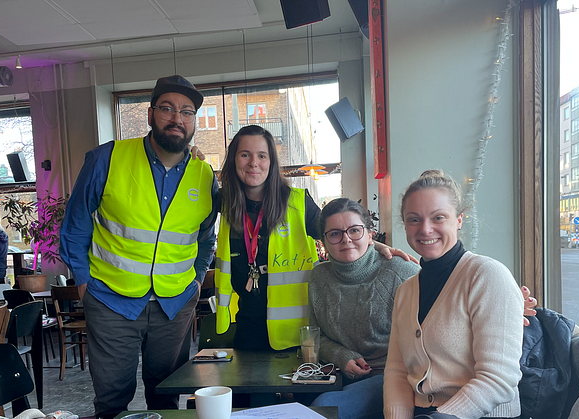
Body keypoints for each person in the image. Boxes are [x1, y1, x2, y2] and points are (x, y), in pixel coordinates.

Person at [59, 75, 218, 418]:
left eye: (187, 112)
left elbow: (206, 238)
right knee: (112, 401)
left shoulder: (206, 176)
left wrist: (195, 281)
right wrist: (84, 283)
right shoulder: (107, 158)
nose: (177, 118)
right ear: (149, 114)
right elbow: (75, 225)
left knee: (166, 397)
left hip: (173, 306)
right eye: (167, 108)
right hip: (110, 300)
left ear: (194, 122)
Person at [214, 125, 410, 352]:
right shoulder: (224, 203)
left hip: (301, 333)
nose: (253, 163)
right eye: (245, 154)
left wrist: (371, 243)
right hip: (247, 326)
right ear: (234, 160)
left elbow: (335, 232)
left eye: (262, 155)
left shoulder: (297, 203)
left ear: (271, 162)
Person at [384, 170, 524, 419]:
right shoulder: (405, 291)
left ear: (459, 219)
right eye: (414, 219)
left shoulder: (487, 276)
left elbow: (498, 378)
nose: (425, 229)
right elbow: (397, 371)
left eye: (438, 217)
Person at [309, 198, 420, 419]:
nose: (346, 239)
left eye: (355, 230)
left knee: (326, 407)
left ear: (370, 235)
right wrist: (341, 355)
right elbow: (314, 336)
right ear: (324, 241)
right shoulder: (318, 277)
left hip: (395, 377)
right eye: (335, 233)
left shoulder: (402, 272)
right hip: (338, 374)